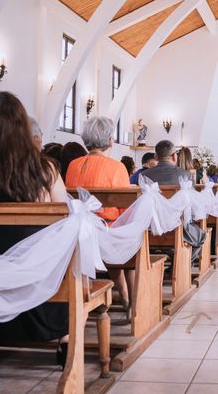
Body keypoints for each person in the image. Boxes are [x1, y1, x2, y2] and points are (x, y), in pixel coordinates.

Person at [0, 92, 69, 364]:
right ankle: (64, 339)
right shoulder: (46, 169)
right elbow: (65, 219)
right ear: (23, 129)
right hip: (34, 275)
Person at [65, 116, 133, 314]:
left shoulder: (73, 165)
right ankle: (129, 299)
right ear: (110, 140)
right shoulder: (117, 167)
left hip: (78, 233)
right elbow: (124, 210)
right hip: (106, 230)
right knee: (131, 241)